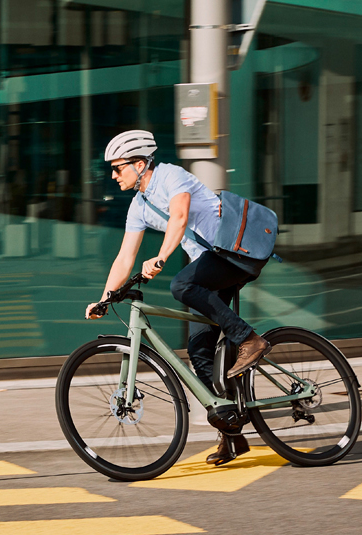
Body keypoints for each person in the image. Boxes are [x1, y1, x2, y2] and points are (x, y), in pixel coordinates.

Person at [84, 130, 271, 466]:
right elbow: (125, 257)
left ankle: (249, 339)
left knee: (181, 286)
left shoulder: (172, 176)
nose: (113, 175)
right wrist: (105, 298)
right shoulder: (139, 207)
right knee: (199, 352)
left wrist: (161, 257)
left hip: (233, 253)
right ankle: (232, 435)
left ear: (140, 164)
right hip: (210, 265)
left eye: (118, 168)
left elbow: (180, 215)